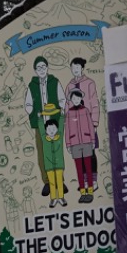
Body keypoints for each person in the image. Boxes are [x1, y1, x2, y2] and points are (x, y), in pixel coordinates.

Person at [24, 56, 65, 196]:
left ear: (47, 68)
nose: (41, 70)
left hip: (54, 122)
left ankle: (60, 180)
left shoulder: (54, 82)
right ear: (35, 70)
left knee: (57, 151)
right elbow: (28, 103)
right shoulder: (32, 86)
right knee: (42, 153)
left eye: (43, 67)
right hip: (40, 124)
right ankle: (47, 181)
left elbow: (62, 99)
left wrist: (62, 109)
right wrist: (31, 111)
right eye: (38, 67)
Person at [65, 57, 100, 189]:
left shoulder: (89, 83)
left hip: (88, 123)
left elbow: (95, 103)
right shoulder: (69, 85)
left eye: (77, 68)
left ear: (82, 68)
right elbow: (67, 106)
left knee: (90, 152)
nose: (75, 71)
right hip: (74, 126)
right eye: (73, 68)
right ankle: (85, 180)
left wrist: (95, 122)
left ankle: (94, 180)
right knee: (79, 155)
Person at [65, 88, 96, 203]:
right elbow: (67, 130)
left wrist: (93, 141)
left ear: (81, 98)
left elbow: (91, 126)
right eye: (74, 98)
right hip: (75, 144)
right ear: (72, 100)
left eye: (78, 98)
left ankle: (90, 191)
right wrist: (68, 144)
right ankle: (83, 192)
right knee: (79, 169)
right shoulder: (69, 113)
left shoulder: (86, 110)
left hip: (87, 141)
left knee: (88, 167)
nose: (76, 100)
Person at [42, 114, 67, 207]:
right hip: (49, 165)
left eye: (53, 129)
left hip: (59, 164)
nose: (51, 131)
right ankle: (53, 199)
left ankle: (61, 197)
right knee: (51, 182)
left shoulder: (59, 136)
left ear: (57, 129)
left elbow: (61, 126)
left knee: (59, 181)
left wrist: (61, 115)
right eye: (49, 129)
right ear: (46, 130)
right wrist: (40, 118)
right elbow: (41, 128)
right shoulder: (45, 139)